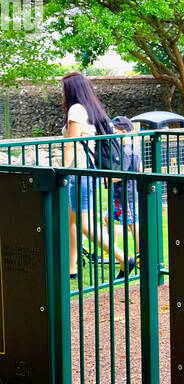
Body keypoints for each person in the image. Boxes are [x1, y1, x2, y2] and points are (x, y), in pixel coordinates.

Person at [61, 72, 129, 277]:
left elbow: (70, 146)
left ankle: (124, 258)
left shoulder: (75, 110)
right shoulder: (91, 109)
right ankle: (71, 268)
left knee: (84, 225)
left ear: (71, 90)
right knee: (70, 221)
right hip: (87, 173)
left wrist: (60, 172)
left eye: (63, 89)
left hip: (78, 173)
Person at [104, 117, 142, 261]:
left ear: (124, 132)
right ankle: (112, 249)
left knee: (132, 223)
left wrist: (106, 178)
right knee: (107, 218)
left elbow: (122, 174)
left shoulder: (126, 151)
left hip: (127, 195)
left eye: (115, 131)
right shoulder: (134, 148)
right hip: (120, 195)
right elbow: (139, 169)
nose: (113, 134)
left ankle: (140, 253)